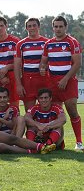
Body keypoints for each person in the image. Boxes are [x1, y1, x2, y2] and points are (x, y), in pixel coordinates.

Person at [39, 15, 83, 150]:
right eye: (56, 26)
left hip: (68, 82)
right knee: (56, 114)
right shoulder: (48, 44)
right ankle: (59, 143)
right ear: (53, 28)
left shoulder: (72, 42)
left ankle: (79, 142)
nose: (58, 29)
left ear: (65, 27)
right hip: (52, 84)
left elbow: (77, 64)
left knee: (72, 111)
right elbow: (44, 61)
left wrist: (65, 79)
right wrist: (42, 68)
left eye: (60, 26)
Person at [14, 18, 49, 111]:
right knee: (30, 111)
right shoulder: (21, 44)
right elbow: (16, 65)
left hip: (44, 79)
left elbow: (51, 61)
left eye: (34, 25)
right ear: (26, 28)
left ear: (39, 27)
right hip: (28, 81)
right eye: (29, 26)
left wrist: (45, 67)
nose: (32, 28)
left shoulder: (47, 42)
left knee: (47, 110)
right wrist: (18, 84)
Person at [0, 16, 20, 107]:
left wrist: (7, 67)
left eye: (2, 25)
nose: (0, 28)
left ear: (6, 26)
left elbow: (19, 62)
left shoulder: (15, 41)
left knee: (14, 107)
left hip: (12, 77)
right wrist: (0, 77)